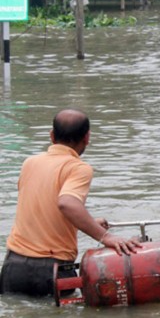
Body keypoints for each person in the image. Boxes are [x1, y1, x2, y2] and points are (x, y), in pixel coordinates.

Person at [0, 109, 141, 297]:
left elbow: (42, 207)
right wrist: (105, 236)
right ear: (87, 138)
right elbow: (67, 203)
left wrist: (88, 223)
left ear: (51, 136)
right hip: (51, 271)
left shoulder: (29, 162)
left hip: (13, 267)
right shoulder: (79, 168)